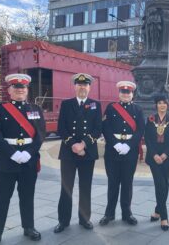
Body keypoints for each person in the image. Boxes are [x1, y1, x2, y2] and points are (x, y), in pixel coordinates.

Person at [0, 74, 46, 245]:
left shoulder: (35, 109)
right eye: (16, 87)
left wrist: (28, 153)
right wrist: (12, 153)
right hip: (6, 161)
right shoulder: (0, 109)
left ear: (27, 90)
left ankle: (28, 227)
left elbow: (41, 134)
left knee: (27, 197)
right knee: (1, 199)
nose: (20, 90)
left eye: (23, 88)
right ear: (9, 90)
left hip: (29, 161)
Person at [54, 73, 102, 233]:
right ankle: (63, 220)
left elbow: (97, 129)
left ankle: (84, 219)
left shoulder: (96, 104)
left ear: (89, 87)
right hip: (68, 152)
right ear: (75, 87)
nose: (82, 87)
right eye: (79, 84)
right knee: (66, 187)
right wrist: (73, 144)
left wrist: (83, 144)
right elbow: (61, 127)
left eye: (85, 85)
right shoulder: (66, 104)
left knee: (85, 186)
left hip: (87, 153)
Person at [99, 81, 144, 226]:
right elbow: (105, 127)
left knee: (127, 183)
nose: (125, 94)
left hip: (130, 152)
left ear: (132, 94)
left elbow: (140, 130)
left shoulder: (138, 109)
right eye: (123, 92)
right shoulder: (111, 108)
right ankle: (109, 213)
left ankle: (127, 213)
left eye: (128, 92)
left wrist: (129, 145)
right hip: (113, 151)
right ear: (119, 93)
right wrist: (116, 143)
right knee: (113, 183)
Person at [144, 95, 169, 231]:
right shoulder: (150, 119)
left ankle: (157, 210)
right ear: (156, 105)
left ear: (167, 105)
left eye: (165, 103)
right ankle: (164, 217)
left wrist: (165, 154)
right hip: (154, 157)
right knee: (160, 184)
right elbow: (147, 138)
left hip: (167, 157)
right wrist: (154, 154)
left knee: (165, 183)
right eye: (160, 103)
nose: (162, 105)